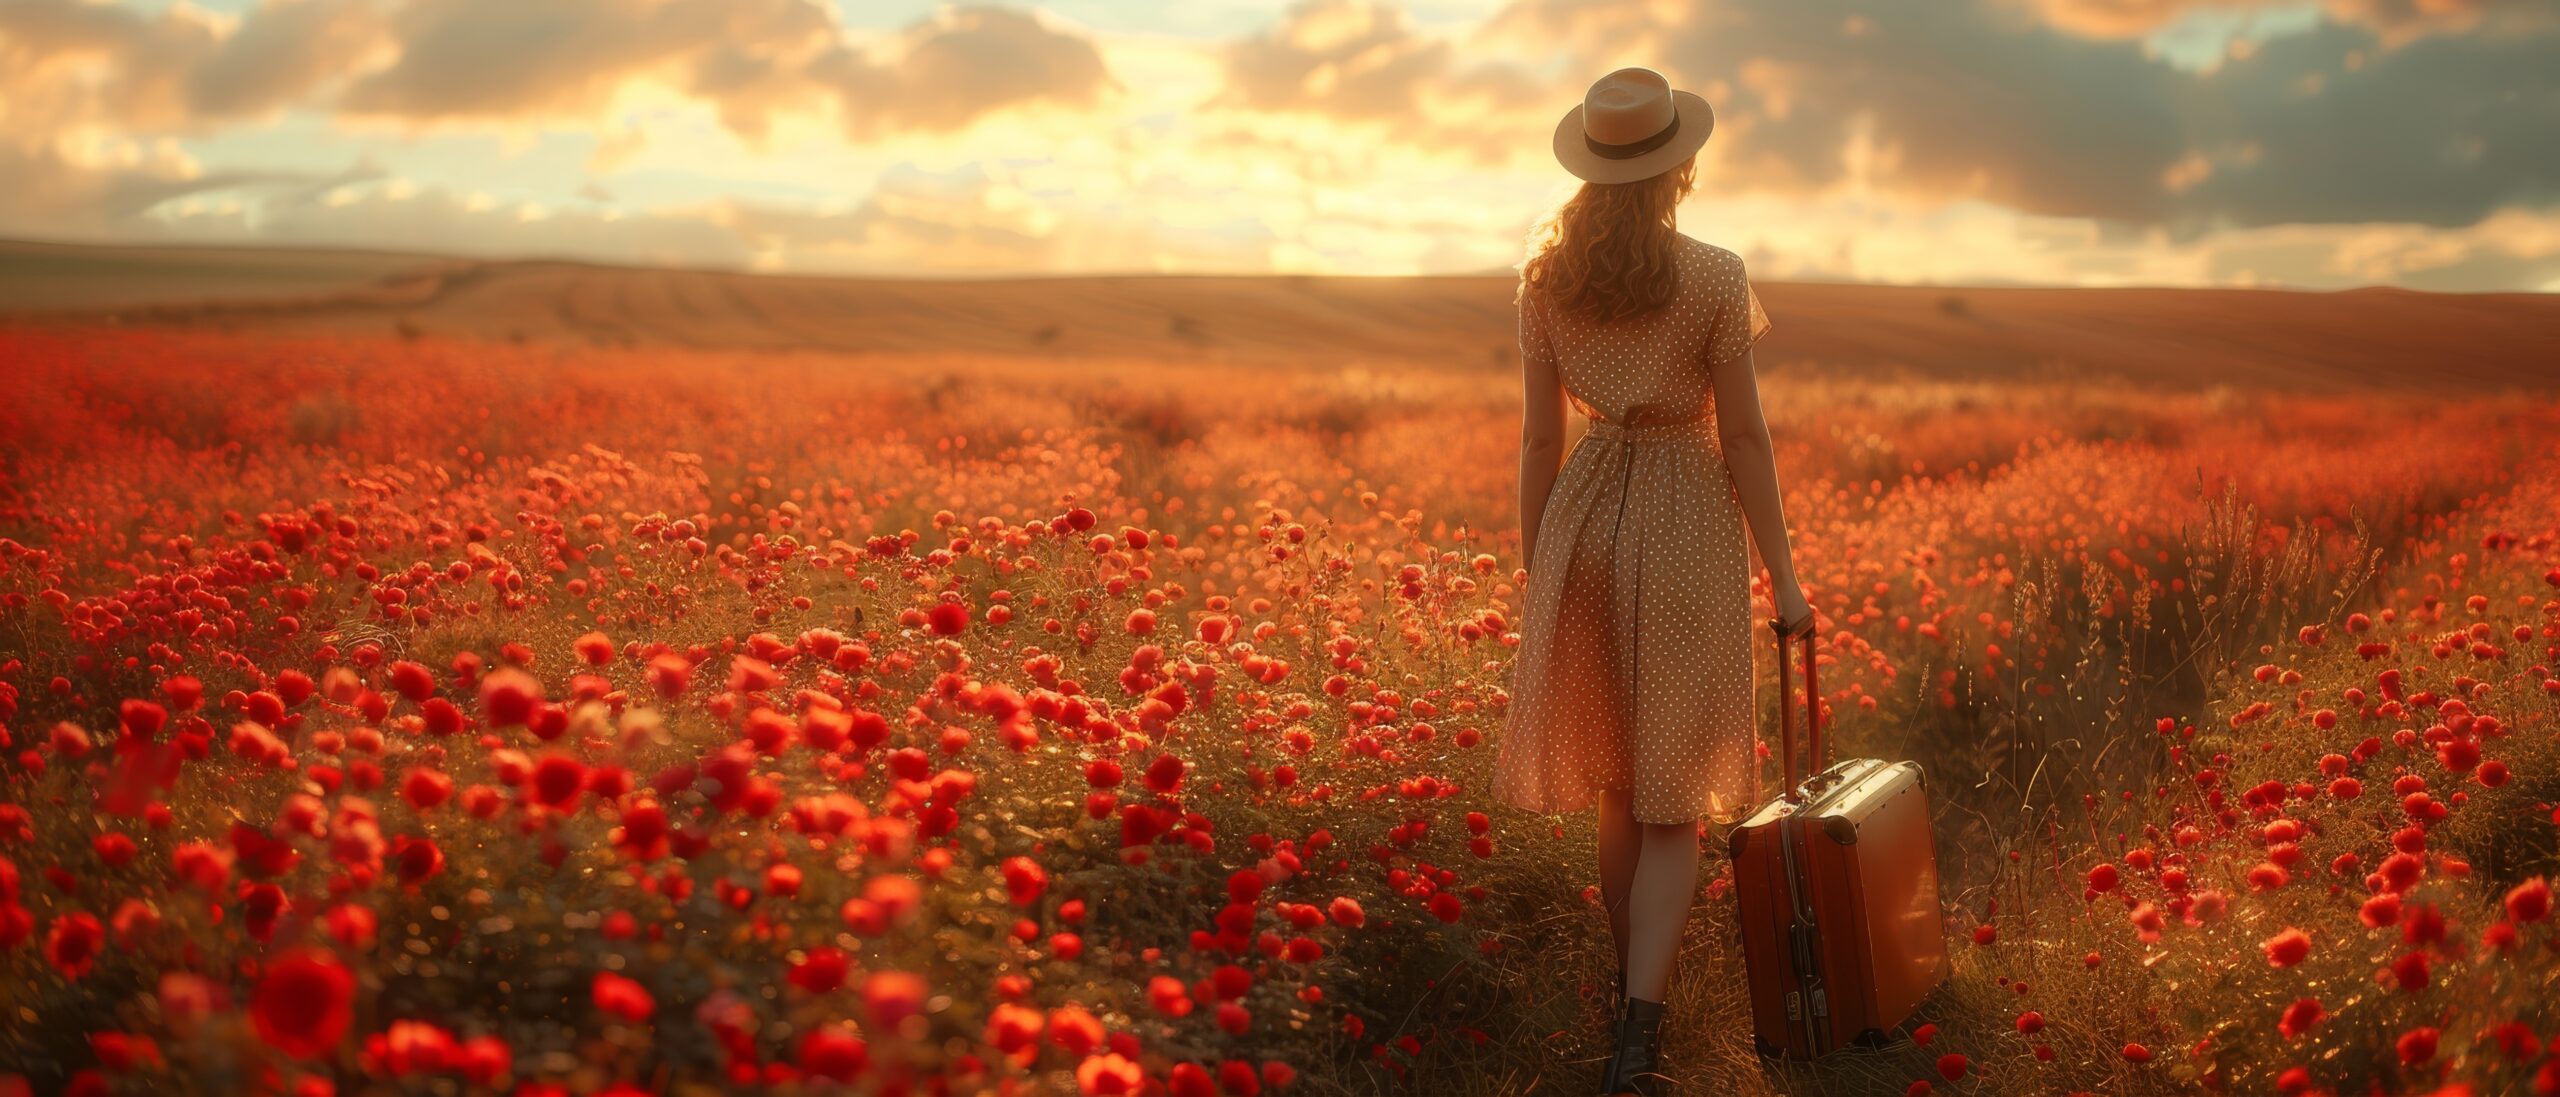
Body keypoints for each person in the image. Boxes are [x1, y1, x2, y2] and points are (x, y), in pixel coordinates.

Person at [1488, 66, 1813, 1096]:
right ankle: (1640, 1030)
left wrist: (1542, 570)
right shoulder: (1715, 275)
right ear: (1679, 164)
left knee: (1621, 789)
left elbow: (1540, 438)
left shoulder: (1547, 282)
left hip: (1582, 514)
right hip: (1680, 518)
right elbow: (1747, 437)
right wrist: (1786, 580)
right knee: (1671, 796)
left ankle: (1620, 1001)